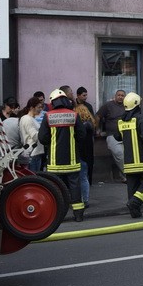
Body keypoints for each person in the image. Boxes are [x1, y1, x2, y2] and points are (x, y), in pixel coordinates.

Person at [39, 88, 86, 222]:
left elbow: (42, 138)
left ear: (52, 102)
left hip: (55, 162)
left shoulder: (48, 116)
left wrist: (52, 142)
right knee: (75, 187)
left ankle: (56, 215)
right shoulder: (73, 115)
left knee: (55, 189)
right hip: (72, 160)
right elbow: (82, 135)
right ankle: (78, 215)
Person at [114, 92, 143, 218]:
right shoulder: (140, 119)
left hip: (129, 163)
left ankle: (134, 212)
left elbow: (117, 136)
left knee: (132, 186)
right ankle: (134, 203)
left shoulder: (120, 121)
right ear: (136, 105)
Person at [97, 89, 128, 184]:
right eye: (118, 95)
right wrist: (98, 129)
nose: (120, 97)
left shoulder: (127, 106)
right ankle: (128, 176)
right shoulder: (108, 105)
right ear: (115, 96)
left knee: (127, 156)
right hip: (112, 135)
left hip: (126, 135)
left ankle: (124, 177)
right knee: (119, 154)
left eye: (122, 95)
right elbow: (98, 116)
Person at [75, 99, 96, 209]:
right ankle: (85, 199)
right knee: (85, 177)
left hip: (81, 154)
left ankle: (83, 200)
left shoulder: (81, 127)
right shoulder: (91, 125)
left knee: (81, 178)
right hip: (88, 154)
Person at [18, 96, 45, 171]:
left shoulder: (31, 119)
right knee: (34, 178)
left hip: (35, 153)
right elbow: (35, 136)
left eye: (41, 107)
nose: (40, 109)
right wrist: (44, 131)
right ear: (31, 107)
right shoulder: (27, 119)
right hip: (32, 153)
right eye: (38, 107)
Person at [75, 86, 96, 184]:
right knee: (86, 159)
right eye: (84, 95)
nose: (86, 97)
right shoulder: (73, 105)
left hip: (84, 137)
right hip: (84, 137)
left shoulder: (88, 106)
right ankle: (86, 180)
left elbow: (92, 120)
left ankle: (88, 179)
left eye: (86, 95)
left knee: (87, 159)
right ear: (78, 95)